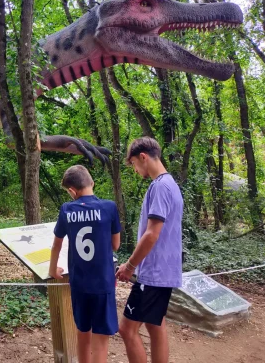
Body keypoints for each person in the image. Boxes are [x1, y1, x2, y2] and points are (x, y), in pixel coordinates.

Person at [116, 137, 184, 363]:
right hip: (164, 272)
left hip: (153, 274)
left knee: (127, 329)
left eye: (134, 163)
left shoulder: (160, 187)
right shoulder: (171, 184)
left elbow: (152, 233)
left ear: (143, 157)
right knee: (155, 325)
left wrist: (130, 266)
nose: (135, 169)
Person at [49, 165, 121, 363]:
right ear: (92, 183)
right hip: (103, 284)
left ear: (72, 191)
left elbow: (56, 244)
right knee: (101, 338)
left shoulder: (67, 210)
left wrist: (52, 269)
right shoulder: (109, 207)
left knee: (83, 331)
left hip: (79, 283)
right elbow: (116, 245)